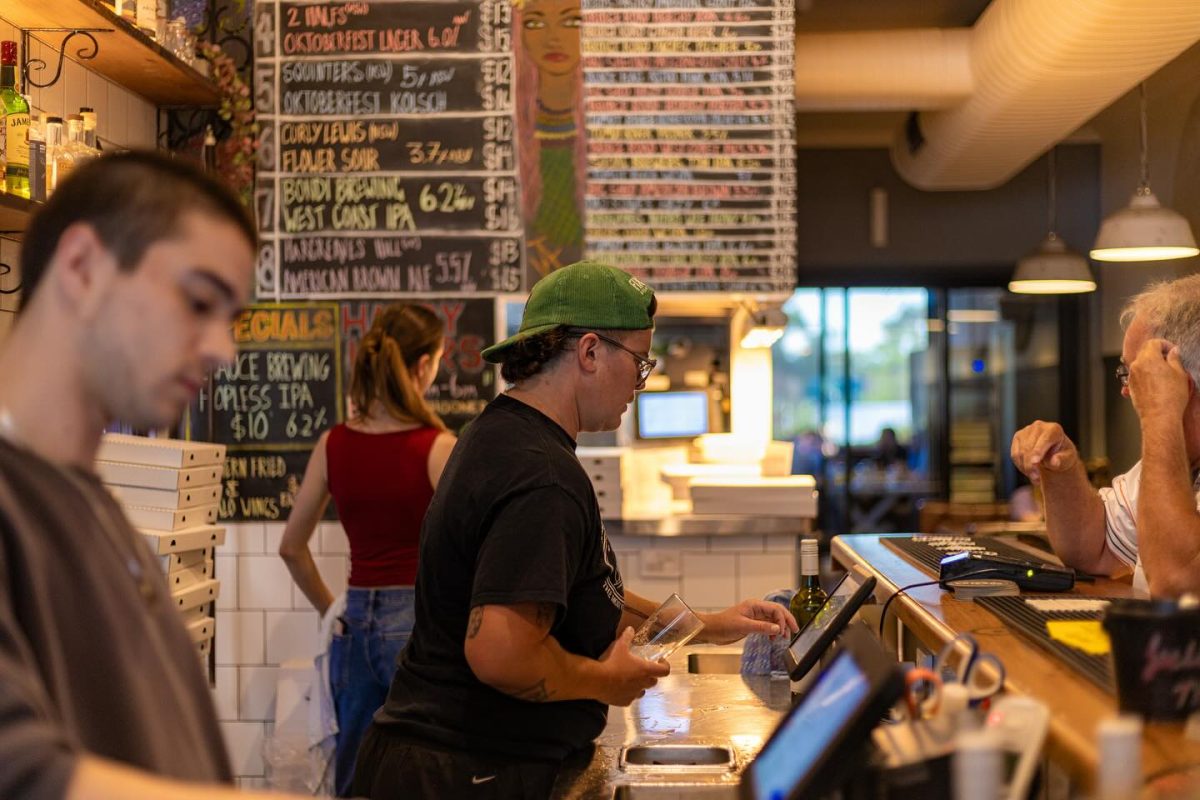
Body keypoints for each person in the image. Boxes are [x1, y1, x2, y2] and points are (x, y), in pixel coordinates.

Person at [352, 261, 798, 798]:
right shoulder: (542, 474)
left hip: (444, 762)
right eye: (638, 362)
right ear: (589, 352)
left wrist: (710, 624)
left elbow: (587, 594)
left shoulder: (501, 433)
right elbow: (500, 651)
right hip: (464, 771)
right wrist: (604, 682)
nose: (639, 383)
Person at [0, 151, 310, 798]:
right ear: (83, 268)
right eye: (198, 301)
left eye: (231, 319)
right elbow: (22, 773)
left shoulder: (87, 503)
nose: (224, 350)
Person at [279, 303, 456, 796]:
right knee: (426, 775)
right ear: (423, 367)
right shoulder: (439, 448)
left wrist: (333, 608)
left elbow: (292, 548)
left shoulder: (333, 444)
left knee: (356, 779)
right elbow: (473, 549)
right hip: (420, 630)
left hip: (353, 626)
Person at [1011, 274, 1200, 597]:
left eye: (1134, 374)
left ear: (1178, 377)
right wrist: (1063, 469)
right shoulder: (1177, 459)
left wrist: (1159, 412)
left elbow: (1178, 585)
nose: (1127, 390)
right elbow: (1094, 548)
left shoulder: (1164, 434)